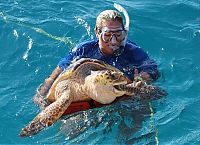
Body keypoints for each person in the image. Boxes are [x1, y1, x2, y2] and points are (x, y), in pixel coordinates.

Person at [34, 4, 159, 109]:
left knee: (143, 104)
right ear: (97, 33)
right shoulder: (82, 50)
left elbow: (152, 69)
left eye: (119, 34)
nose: (114, 41)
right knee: (72, 128)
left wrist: (144, 78)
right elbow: (55, 75)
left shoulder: (132, 51)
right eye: (108, 35)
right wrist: (41, 94)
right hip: (86, 94)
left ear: (125, 32)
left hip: (121, 94)